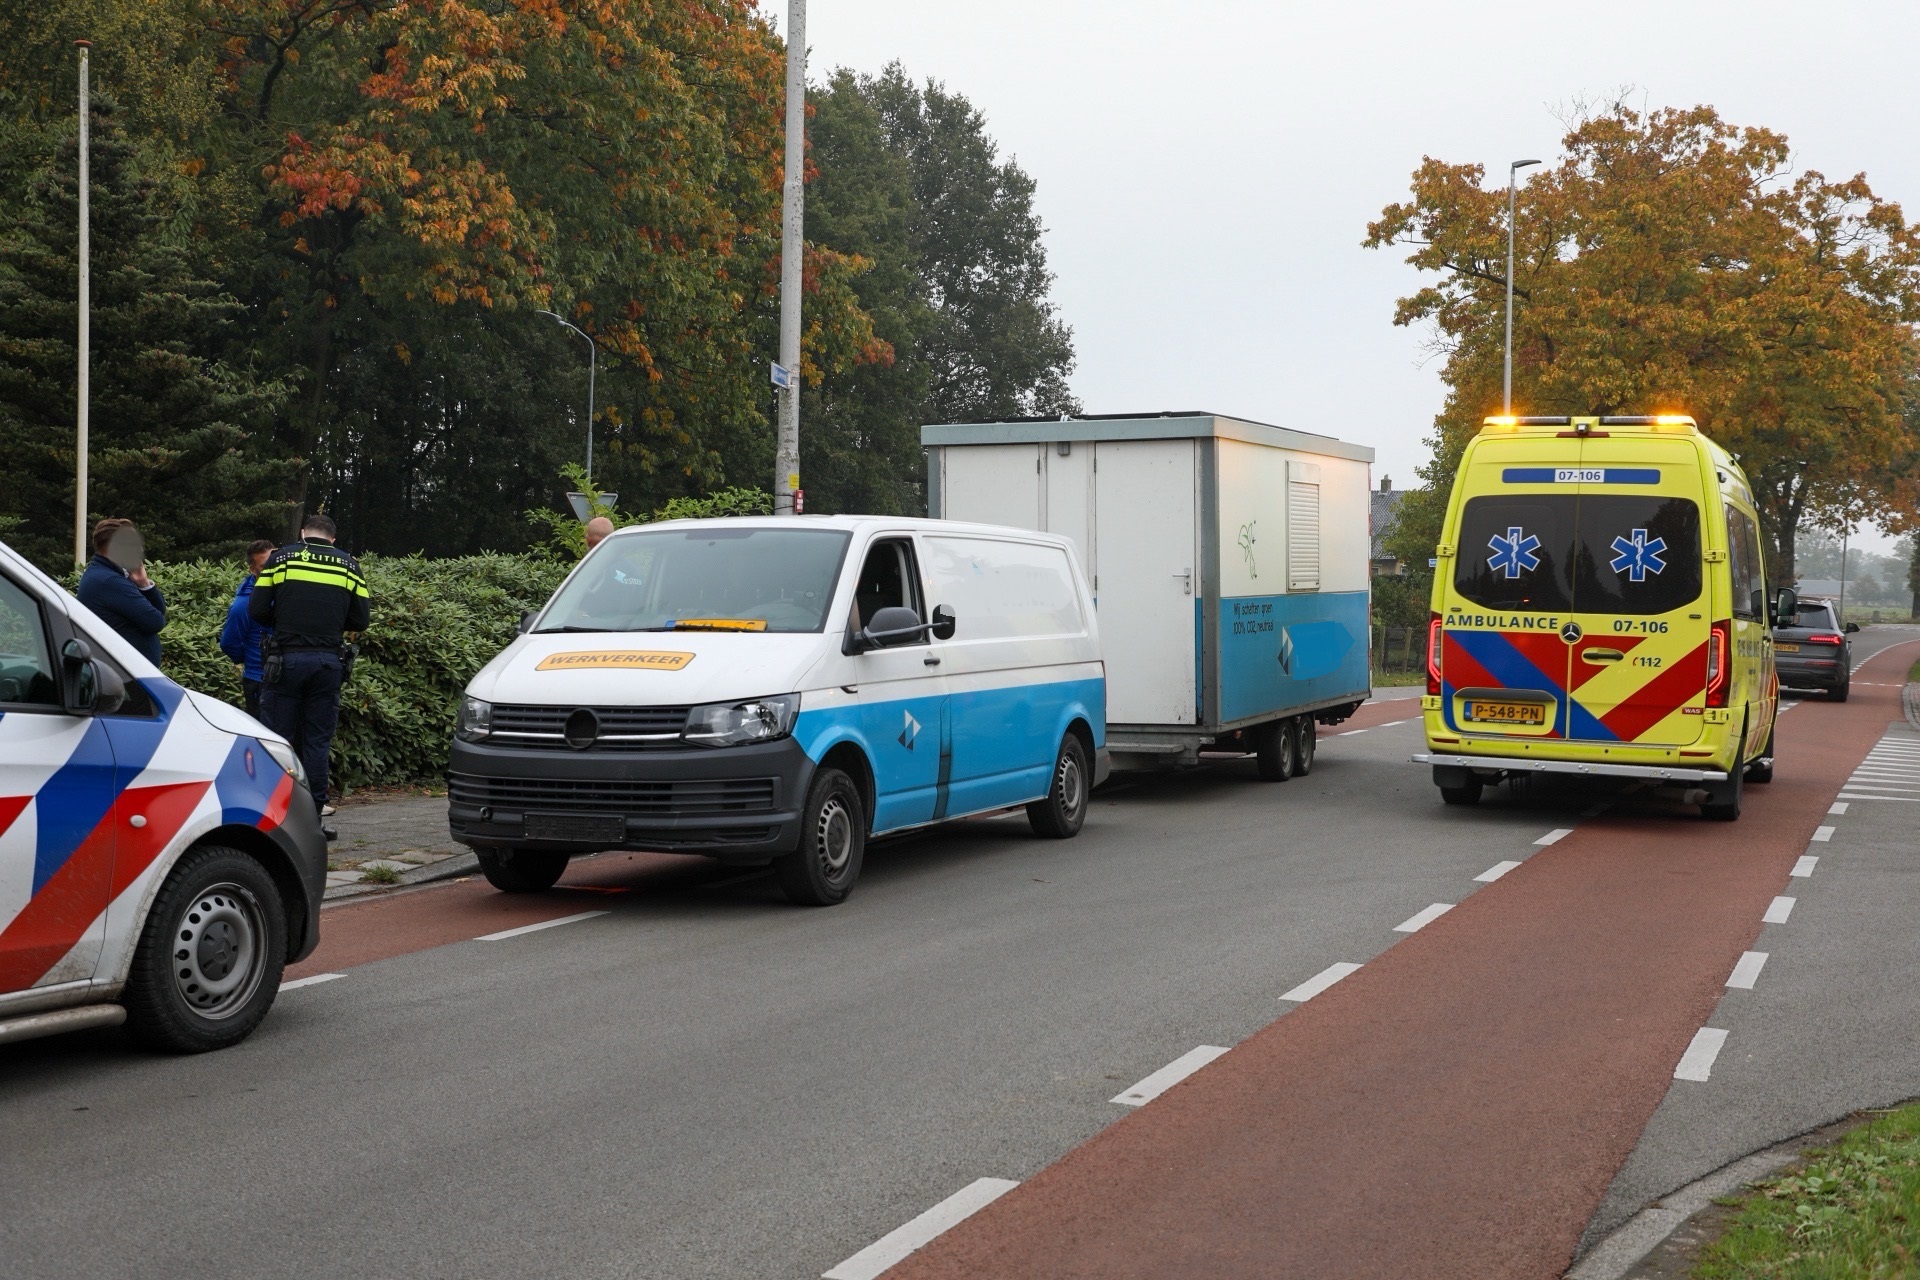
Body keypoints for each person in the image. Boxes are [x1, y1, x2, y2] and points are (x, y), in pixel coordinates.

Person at [250, 514, 369, 839]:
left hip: (285, 661)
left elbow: (257, 610)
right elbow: (361, 620)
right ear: (333, 538)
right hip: (328, 663)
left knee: (278, 740)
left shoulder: (280, 559)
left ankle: (273, 819)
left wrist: (284, 618)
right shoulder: (349, 566)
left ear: (304, 533)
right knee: (317, 742)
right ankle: (313, 822)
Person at [76, 518, 167, 663]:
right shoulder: (109, 581)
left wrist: (143, 583)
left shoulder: (104, 574)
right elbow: (155, 621)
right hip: (125, 672)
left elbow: (160, 610)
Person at [218, 540, 277, 718]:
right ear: (253, 569)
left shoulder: (285, 592)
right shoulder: (244, 604)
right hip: (259, 680)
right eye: (265, 566)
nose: (272, 569)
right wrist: (252, 657)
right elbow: (229, 643)